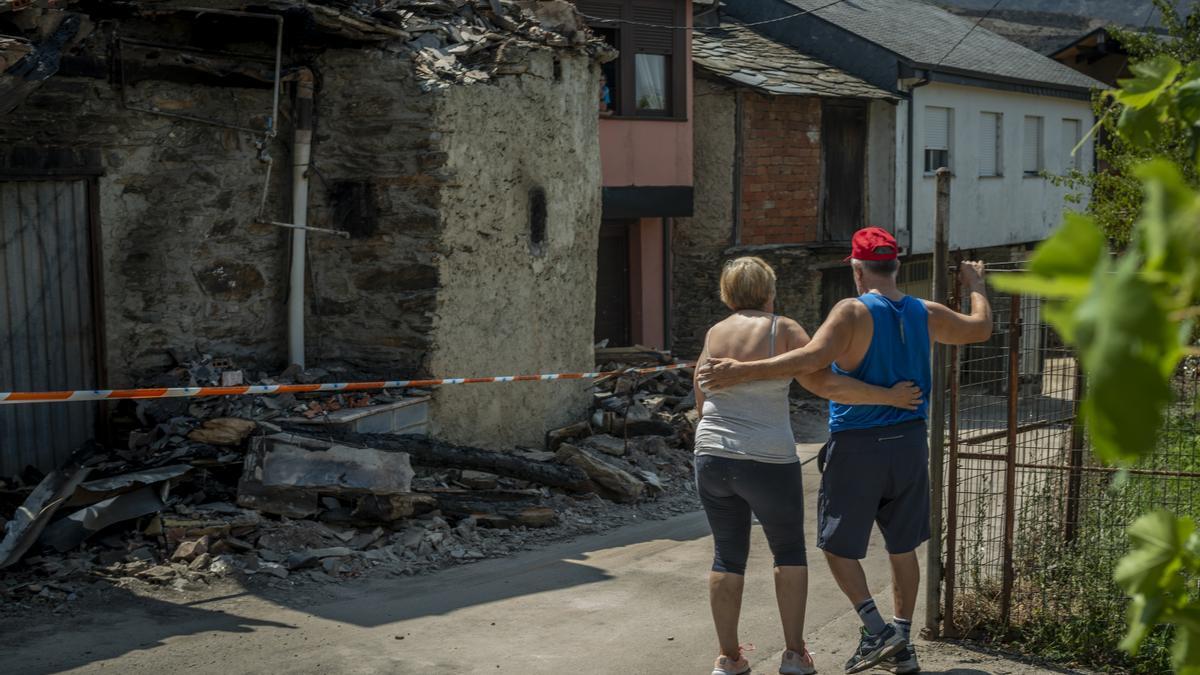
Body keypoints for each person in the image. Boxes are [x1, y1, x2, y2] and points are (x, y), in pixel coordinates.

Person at [699, 230, 992, 675]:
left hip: (857, 442)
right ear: (895, 265)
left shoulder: (850, 311)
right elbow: (980, 328)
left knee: (835, 545)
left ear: (856, 269)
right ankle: (901, 640)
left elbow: (808, 361)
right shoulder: (925, 312)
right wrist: (976, 286)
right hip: (911, 440)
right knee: (902, 544)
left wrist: (741, 371)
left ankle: (875, 629)